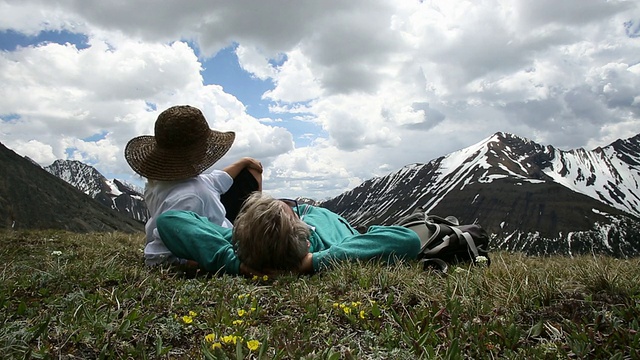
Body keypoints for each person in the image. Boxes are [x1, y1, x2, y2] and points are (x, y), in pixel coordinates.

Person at [124, 105, 262, 271]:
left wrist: (243, 162)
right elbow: (156, 256)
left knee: (248, 172)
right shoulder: (190, 197)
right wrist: (190, 263)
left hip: (203, 227)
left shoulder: (159, 183)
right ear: (201, 150)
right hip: (221, 238)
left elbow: (213, 182)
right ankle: (257, 225)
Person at [156, 192, 424, 275]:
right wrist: (315, 262)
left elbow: (170, 220)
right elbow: (406, 240)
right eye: (293, 211)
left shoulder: (246, 243)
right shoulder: (336, 243)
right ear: (306, 234)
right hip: (343, 230)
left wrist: (235, 264)